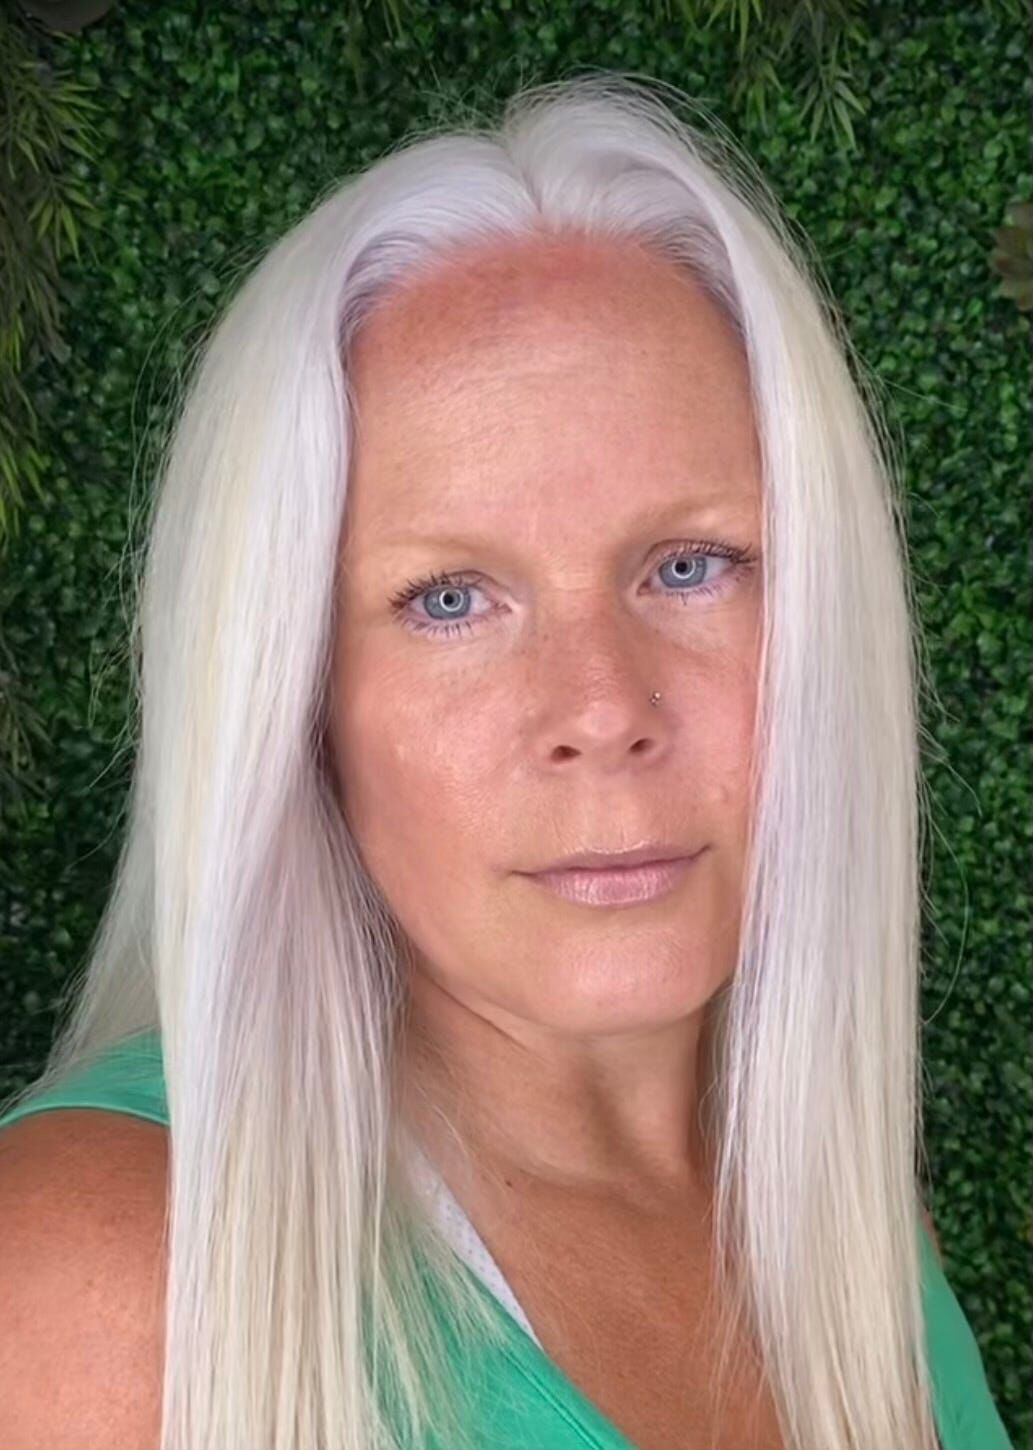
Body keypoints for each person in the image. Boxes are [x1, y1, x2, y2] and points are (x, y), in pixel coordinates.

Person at [0, 72, 1015, 1450]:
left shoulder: (847, 1221)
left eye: (691, 565)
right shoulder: (108, 1271)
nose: (599, 708)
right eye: (449, 599)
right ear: (296, 697)